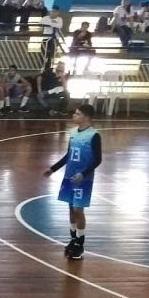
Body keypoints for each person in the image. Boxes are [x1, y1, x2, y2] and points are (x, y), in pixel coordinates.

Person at [43, 104, 102, 260]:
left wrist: (83, 174)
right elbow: (68, 155)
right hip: (69, 176)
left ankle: (80, 244)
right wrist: (53, 169)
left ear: (86, 117)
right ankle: (73, 239)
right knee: (70, 208)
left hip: (83, 179)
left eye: (77, 114)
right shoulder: (73, 133)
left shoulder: (94, 135)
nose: (73, 116)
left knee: (78, 209)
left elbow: (98, 160)